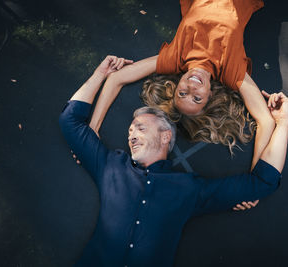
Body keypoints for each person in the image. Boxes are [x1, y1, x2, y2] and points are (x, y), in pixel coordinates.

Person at [59, 56, 288, 266]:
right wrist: (100, 74)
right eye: (130, 131)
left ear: (165, 136)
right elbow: (70, 120)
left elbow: (264, 181)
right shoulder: (110, 165)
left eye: (139, 128)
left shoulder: (189, 189)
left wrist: (283, 124)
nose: (131, 135)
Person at [89, 0, 274, 171]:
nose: (191, 88)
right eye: (197, 98)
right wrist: (256, 177)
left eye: (182, 93)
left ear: (177, 85)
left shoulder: (177, 59)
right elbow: (266, 121)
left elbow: (116, 78)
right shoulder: (230, 70)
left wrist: (92, 130)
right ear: (210, 95)